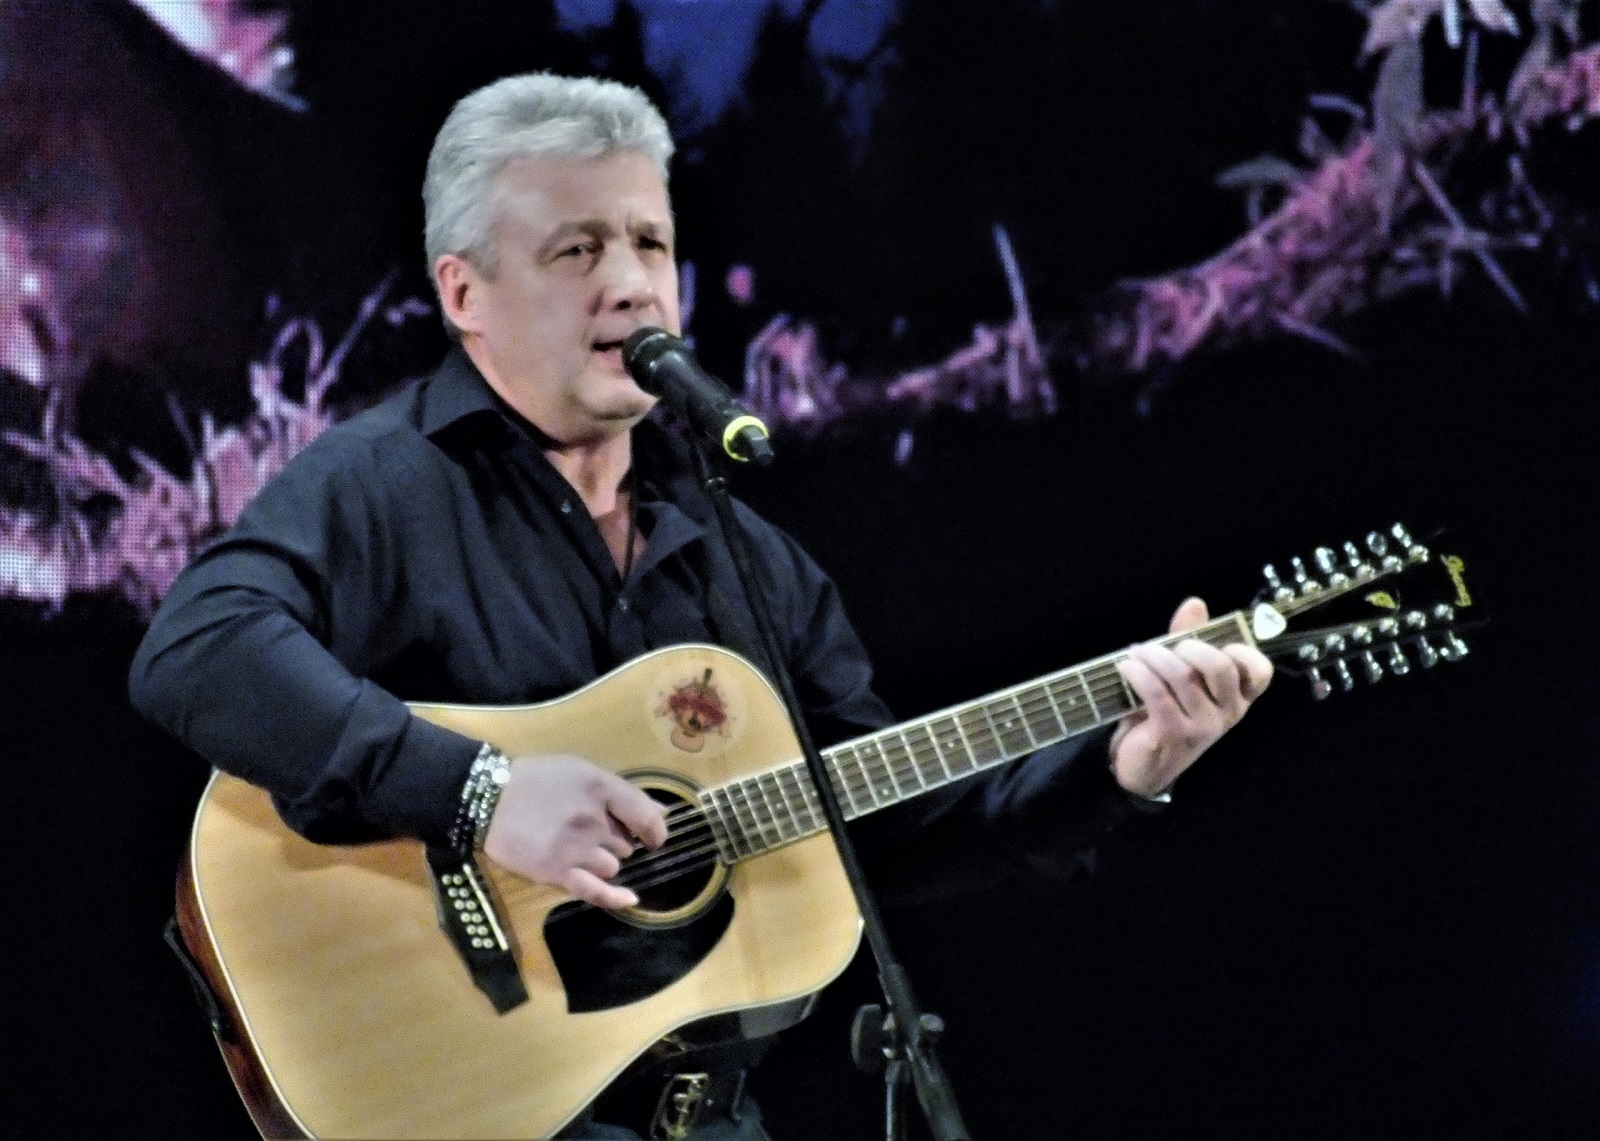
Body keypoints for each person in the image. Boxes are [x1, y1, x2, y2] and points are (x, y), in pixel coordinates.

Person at [129, 73, 1273, 1140]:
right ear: (464, 292)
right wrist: (481, 794)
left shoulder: (745, 555)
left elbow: (878, 829)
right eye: (577, 248)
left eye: (649, 242)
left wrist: (1121, 766)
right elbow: (198, 648)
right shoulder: (383, 484)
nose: (630, 282)